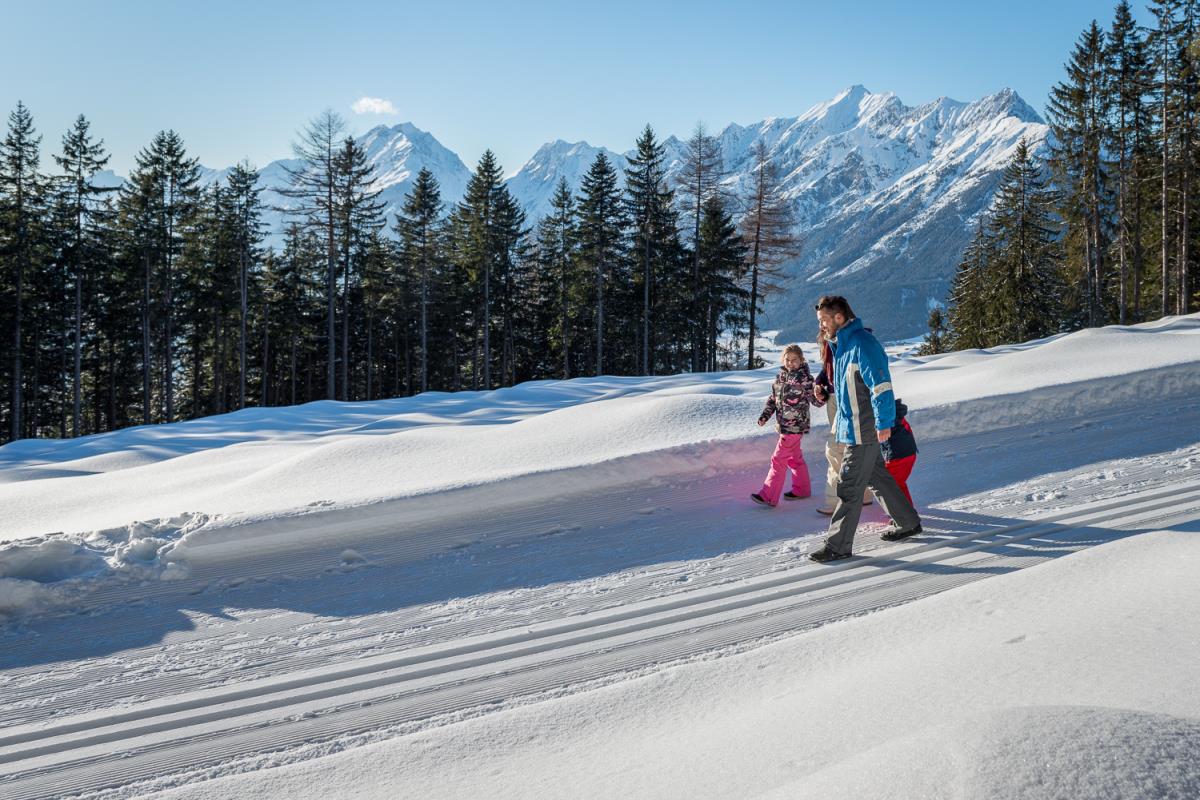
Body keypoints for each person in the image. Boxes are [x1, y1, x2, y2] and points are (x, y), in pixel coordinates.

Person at [808, 296, 922, 563]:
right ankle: (908, 522)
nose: (821, 326)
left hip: (864, 429)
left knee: (849, 486)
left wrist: (884, 422)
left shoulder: (862, 344)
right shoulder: (841, 346)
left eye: (824, 320)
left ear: (838, 317)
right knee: (876, 477)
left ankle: (838, 545)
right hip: (852, 427)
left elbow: (881, 385)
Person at [752, 344, 824, 507]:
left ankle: (768, 495)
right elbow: (773, 400)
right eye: (788, 359)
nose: (791, 363)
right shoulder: (780, 377)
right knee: (794, 459)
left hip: (795, 427)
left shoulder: (805, 379)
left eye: (795, 360)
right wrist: (765, 415)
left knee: (778, 459)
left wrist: (822, 396)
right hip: (783, 425)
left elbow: (816, 401)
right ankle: (802, 490)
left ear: (801, 360)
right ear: (783, 360)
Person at [814, 328, 873, 515]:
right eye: (821, 321)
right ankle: (864, 494)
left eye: (825, 319)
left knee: (835, 449)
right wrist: (819, 384)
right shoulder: (828, 340)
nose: (823, 324)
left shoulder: (855, 339)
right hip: (833, 399)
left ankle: (834, 500)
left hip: (848, 398)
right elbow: (828, 369)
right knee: (849, 447)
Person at [882, 398, 918, 506]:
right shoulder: (895, 413)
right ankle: (907, 510)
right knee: (897, 483)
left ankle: (904, 516)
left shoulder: (884, 417)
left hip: (898, 457)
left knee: (889, 485)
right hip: (908, 453)